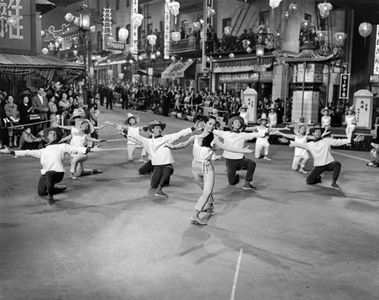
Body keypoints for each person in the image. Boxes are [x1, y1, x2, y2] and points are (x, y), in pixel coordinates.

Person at [166, 116, 253, 225]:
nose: (212, 126)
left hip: (207, 168)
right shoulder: (196, 137)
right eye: (210, 124)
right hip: (195, 167)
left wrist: (241, 150)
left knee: (206, 192)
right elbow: (184, 144)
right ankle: (210, 204)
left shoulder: (214, 139)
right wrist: (173, 147)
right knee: (204, 189)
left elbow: (227, 147)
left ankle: (195, 215)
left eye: (214, 124)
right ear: (205, 124)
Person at [0, 127, 101, 205]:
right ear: (47, 137)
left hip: (58, 173)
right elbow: (27, 152)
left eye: (54, 133)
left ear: (57, 137)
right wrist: (10, 152)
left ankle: (50, 198)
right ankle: (59, 188)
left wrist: (89, 149)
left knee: (49, 174)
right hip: (47, 174)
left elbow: (75, 149)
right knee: (40, 192)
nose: (52, 134)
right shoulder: (43, 151)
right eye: (50, 134)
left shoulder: (62, 146)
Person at [128, 120, 203, 197]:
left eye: (160, 128)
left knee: (168, 169)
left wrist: (193, 128)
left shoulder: (167, 138)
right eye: (157, 128)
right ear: (153, 130)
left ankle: (160, 189)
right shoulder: (148, 141)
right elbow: (135, 137)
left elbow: (180, 134)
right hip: (157, 167)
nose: (159, 130)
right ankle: (160, 180)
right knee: (153, 186)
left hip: (166, 165)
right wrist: (122, 131)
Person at [289, 125, 351, 190]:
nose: (318, 133)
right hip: (319, 166)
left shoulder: (326, 141)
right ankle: (318, 179)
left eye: (319, 132)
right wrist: (288, 142)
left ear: (321, 133)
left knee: (337, 164)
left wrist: (350, 140)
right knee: (309, 181)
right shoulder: (310, 144)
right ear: (313, 133)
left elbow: (338, 141)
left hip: (328, 163)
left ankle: (334, 183)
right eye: (316, 132)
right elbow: (298, 144)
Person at [213, 116, 264, 189]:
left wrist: (266, 132)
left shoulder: (243, 135)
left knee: (252, 163)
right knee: (232, 182)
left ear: (240, 125)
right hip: (230, 160)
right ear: (232, 125)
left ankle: (247, 183)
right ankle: (236, 173)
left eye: (239, 122)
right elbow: (212, 130)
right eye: (236, 122)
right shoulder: (225, 133)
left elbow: (256, 134)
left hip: (240, 159)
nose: (238, 123)